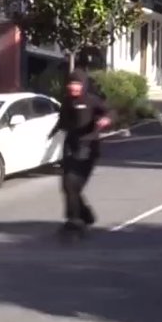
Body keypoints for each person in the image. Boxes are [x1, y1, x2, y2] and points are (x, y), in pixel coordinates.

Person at [49, 69, 111, 236]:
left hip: (88, 149)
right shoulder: (67, 102)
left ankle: (77, 218)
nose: (73, 87)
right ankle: (79, 218)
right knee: (67, 185)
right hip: (71, 147)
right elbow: (63, 121)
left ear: (83, 85)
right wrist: (51, 133)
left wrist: (106, 119)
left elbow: (109, 111)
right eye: (71, 83)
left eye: (77, 84)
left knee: (73, 185)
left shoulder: (92, 101)